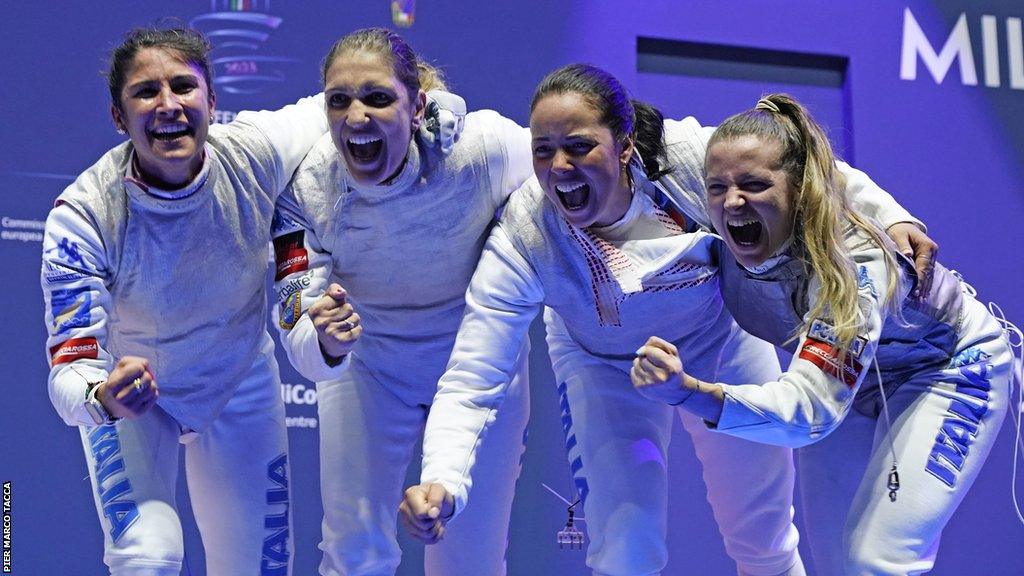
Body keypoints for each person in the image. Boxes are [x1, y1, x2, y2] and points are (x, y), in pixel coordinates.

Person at [400, 64, 932, 576]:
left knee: (763, 537)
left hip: (717, 340)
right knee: (625, 550)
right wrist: (442, 478)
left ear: (625, 145)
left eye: (580, 146)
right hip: (604, 367)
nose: (559, 167)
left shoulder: (687, 158)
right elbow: (474, 375)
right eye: (544, 151)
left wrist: (891, 215)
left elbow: (812, 173)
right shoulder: (525, 236)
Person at [40, 26, 460, 576]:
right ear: (120, 118)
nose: (168, 106)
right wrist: (101, 395)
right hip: (138, 397)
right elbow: (68, 372)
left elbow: (356, 97)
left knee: (259, 569)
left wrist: (440, 107)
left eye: (183, 87)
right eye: (146, 93)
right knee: (149, 556)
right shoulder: (84, 216)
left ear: (212, 102)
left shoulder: (255, 153)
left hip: (238, 381)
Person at [632, 93, 1011, 575]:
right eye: (718, 187)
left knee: (876, 561)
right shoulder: (712, 201)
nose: (732, 202)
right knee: (835, 566)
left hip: (944, 369)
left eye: (754, 184)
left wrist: (691, 394)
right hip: (853, 384)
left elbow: (808, 411)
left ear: (799, 190)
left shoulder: (852, 266)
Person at [270, 28, 532, 576]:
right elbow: (293, 303)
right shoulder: (306, 186)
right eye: (339, 101)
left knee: (470, 559)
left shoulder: (482, 150)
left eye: (378, 98)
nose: (356, 117)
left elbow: (569, 183)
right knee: (353, 553)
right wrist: (318, 337)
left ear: (417, 106)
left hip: (477, 365)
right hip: (368, 371)